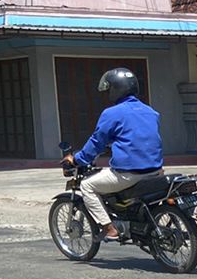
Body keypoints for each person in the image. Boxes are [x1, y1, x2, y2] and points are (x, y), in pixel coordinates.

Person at [66, 68, 165, 241]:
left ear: (116, 89)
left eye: (109, 89)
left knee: (88, 186)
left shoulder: (111, 113)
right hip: (155, 172)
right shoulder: (150, 111)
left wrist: (77, 159)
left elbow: (96, 142)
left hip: (129, 174)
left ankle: (109, 227)